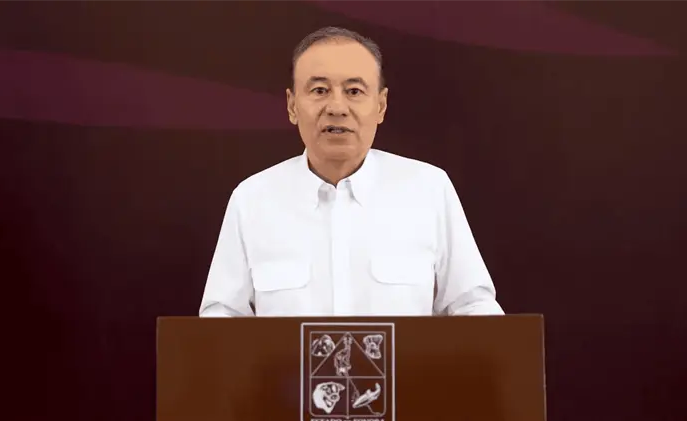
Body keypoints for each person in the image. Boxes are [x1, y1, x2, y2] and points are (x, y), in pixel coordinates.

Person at [199, 26, 504, 317]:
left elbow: (473, 306)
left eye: (354, 91)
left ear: (381, 106)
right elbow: (222, 317)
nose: (337, 107)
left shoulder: (429, 189)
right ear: (292, 105)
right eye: (319, 90)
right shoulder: (252, 199)